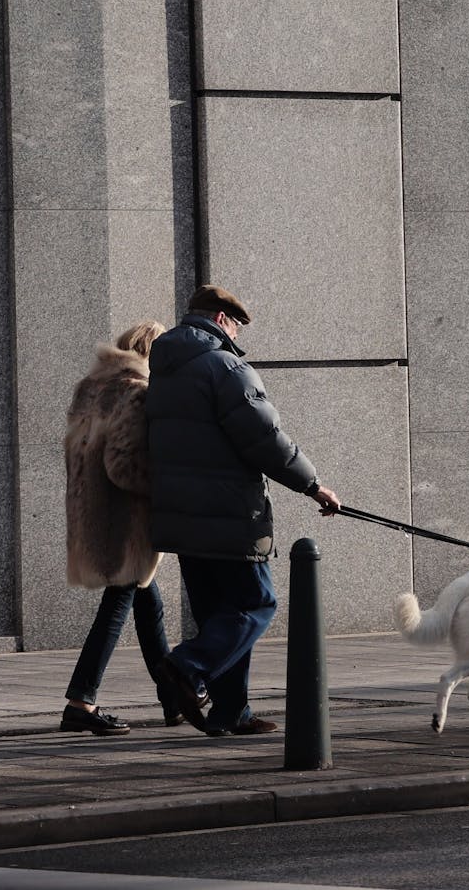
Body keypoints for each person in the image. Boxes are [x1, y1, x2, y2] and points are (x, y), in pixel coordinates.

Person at [147, 284, 341, 736]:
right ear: (220, 319)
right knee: (256, 603)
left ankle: (229, 710)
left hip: (182, 516)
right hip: (229, 513)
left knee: (221, 614)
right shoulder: (227, 367)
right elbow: (265, 439)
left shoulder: (166, 370)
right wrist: (312, 485)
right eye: (235, 325)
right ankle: (186, 666)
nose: (236, 334)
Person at [61, 321, 207, 736]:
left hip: (95, 515)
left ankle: (173, 699)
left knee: (148, 607)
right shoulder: (137, 392)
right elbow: (124, 465)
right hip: (126, 523)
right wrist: (166, 486)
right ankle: (81, 700)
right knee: (116, 608)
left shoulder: (90, 389)